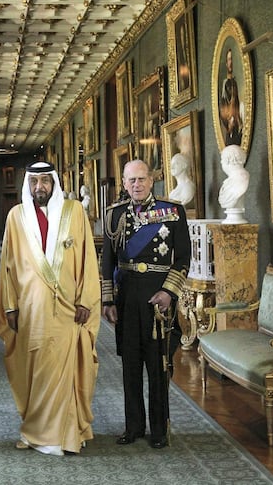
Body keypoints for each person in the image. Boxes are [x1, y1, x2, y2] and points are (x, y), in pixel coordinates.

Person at [0, 161, 101, 456]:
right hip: (30, 310)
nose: (39, 187)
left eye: (45, 181)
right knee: (36, 370)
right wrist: (10, 306)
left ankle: (65, 435)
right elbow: (7, 265)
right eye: (34, 182)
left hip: (69, 308)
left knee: (64, 370)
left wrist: (84, 300)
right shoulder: (16, 216)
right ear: (27, 185)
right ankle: (35, 431)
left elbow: (88, 260)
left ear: (54, 183)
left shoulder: (75, 212)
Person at [102, 159, 190, 449]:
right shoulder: (113, 215)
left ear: (152, 181)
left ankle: (159, 430)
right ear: (124, 184)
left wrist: (169, 293)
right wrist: (108, 300)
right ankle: (133, 427)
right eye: (131, 181)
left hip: (158, 300)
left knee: (158, 365)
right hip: (127, 299)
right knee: (130, 367)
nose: (137, 185)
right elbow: (108, 263)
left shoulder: (173, 212)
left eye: (141, 179)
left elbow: (182, 259)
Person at [218, 48, 243, 147]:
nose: (230, 62)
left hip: (237, 121)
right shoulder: (226, 84)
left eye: (231, 59)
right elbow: (223, 106)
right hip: (230, 123)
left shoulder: (234, 82)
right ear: (226, 63)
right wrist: (229, 120)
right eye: (228, 59)